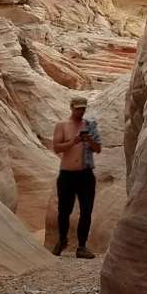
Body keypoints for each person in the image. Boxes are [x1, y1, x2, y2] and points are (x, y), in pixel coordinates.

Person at [51, 95, 102, 258]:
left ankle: (81, 247)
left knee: (86, 211)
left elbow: (98, 149)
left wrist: (88, 140)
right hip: (67, 174)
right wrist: (74, 141)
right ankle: (62, 240)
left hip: (86, 175)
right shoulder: (62, 125)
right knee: (64, 211)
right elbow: (57, 148)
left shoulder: (90, 126)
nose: (80, 111)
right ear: (71, 107)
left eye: (83, 108)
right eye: (78, 108)